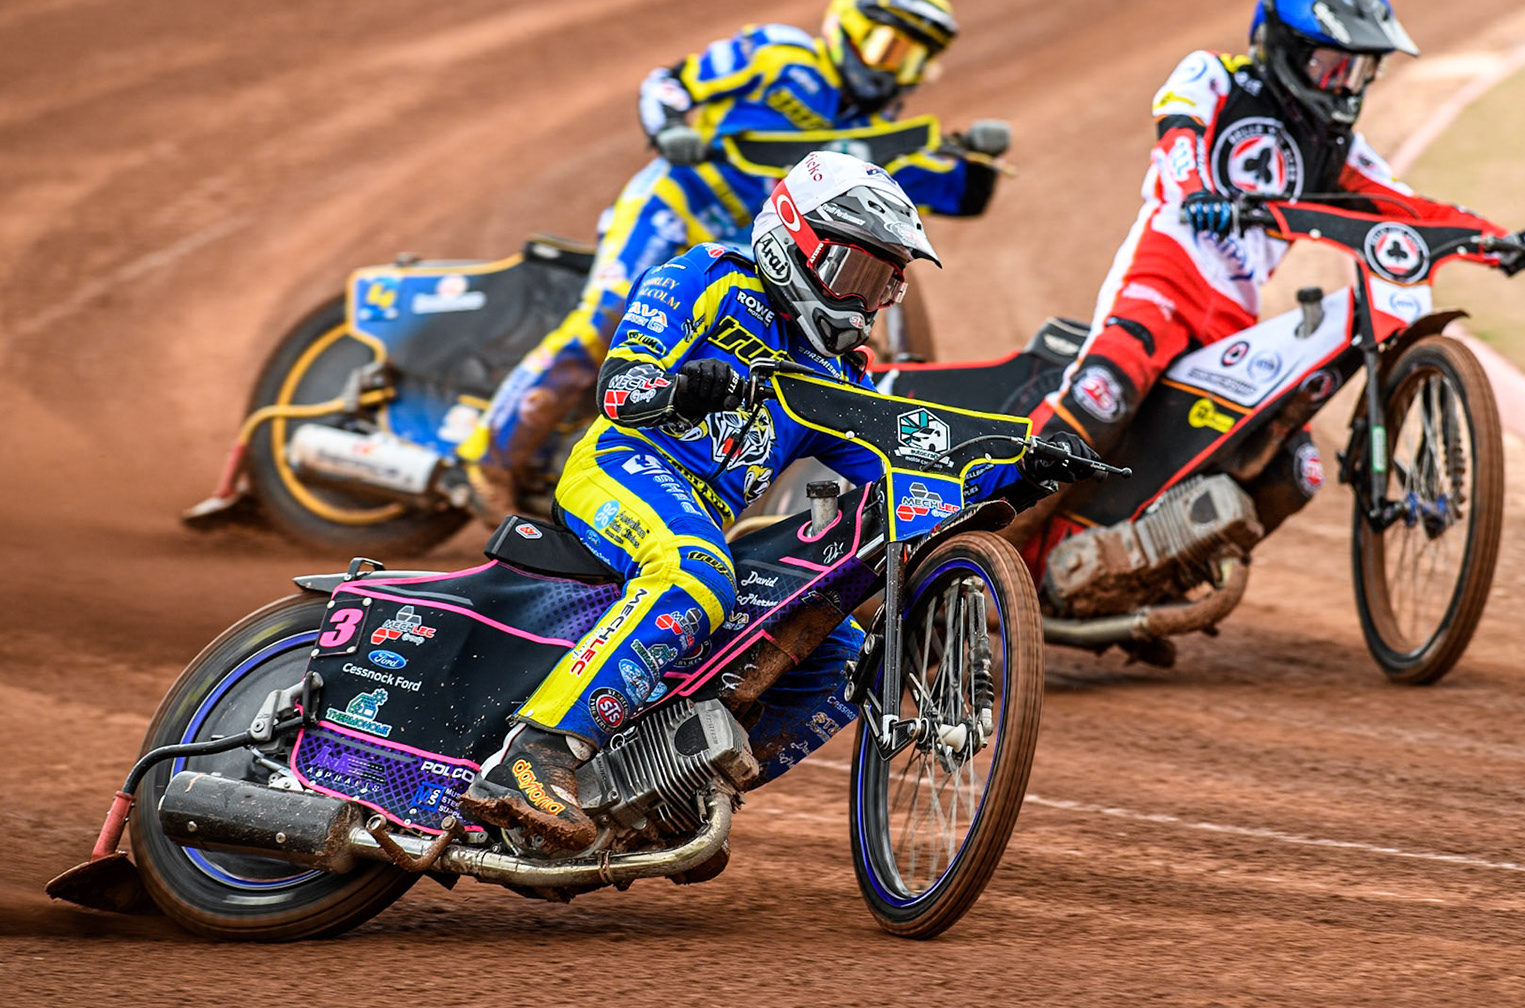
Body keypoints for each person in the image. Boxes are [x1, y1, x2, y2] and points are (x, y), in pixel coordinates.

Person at [460, 152, 1093, 853]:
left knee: (840, 652)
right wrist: (677, 388)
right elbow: (618, 386)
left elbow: (900, 459)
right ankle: (532, 755)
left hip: (701, 518)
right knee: (696, 571)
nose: (865, 302)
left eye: (883, 284)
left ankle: (661, 795)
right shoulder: (705, 276)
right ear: (793, 242)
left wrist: (1019, 464)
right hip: (620, 468)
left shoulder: (833, 371)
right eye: (856, 274)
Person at [461, 0, 1012, 517]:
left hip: (755, 248)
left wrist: (979, 160)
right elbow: (668, 83)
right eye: (888, 46)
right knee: (601, 320)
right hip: (679, 204)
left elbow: (946, 194)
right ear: (846, 24)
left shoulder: (877, 136)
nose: (897, 69)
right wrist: (670, 130)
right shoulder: (778, 57)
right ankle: (486, 461)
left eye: (916, 58)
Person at [1030, 0, 1525, 527]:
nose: (1346, 86)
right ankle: (979, 533)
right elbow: (1177, 130)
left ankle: (1163, 570)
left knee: (1294, 468)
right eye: (1333, 66)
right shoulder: (1215, 77)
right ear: (1285, 46)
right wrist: (1200, 188)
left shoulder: (1338, 153)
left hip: (1233, 316)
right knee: (1102, 397)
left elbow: (1414, 209)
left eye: (1359, 71)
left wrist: (1497, 243)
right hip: (1163, 278)